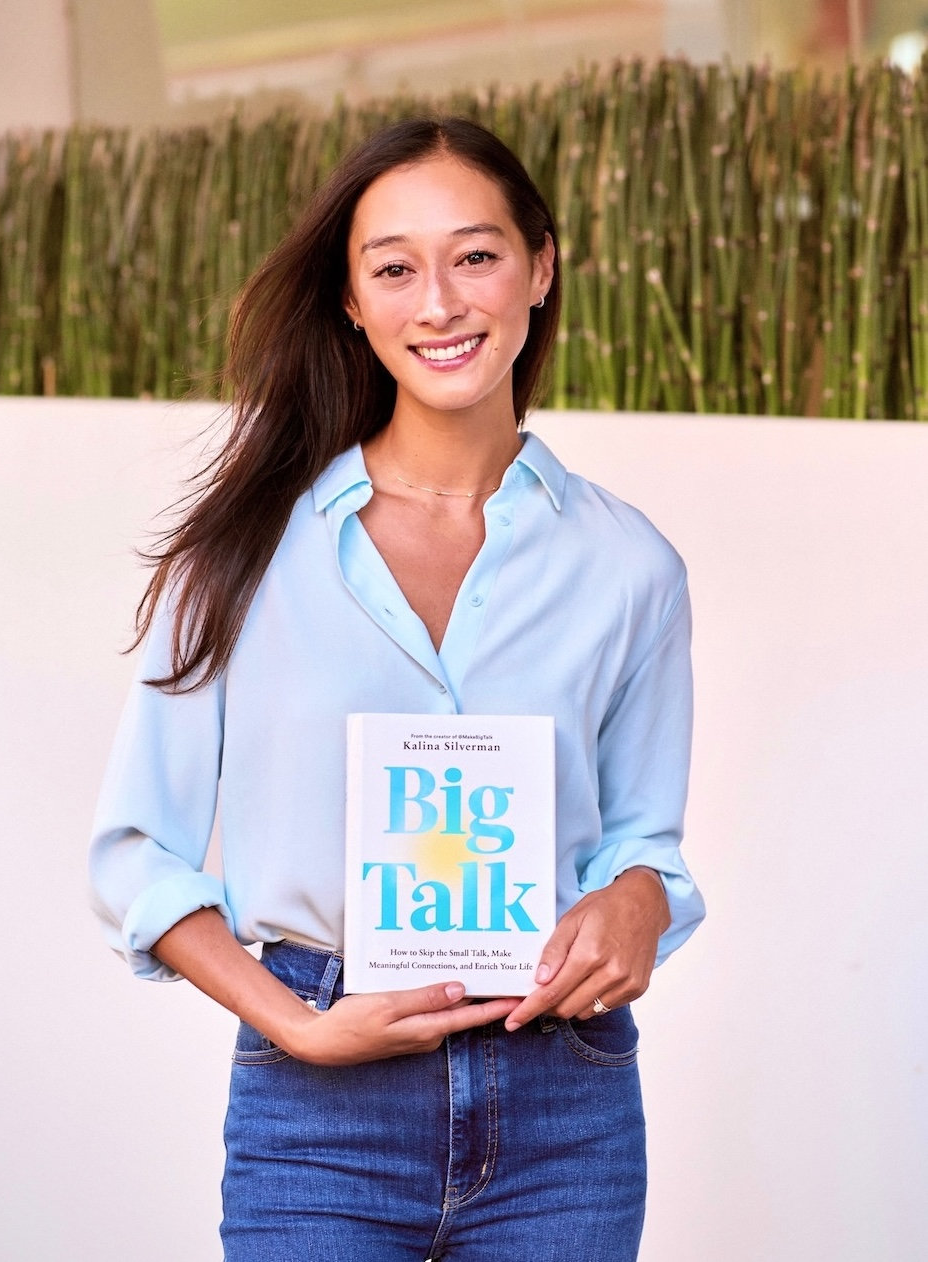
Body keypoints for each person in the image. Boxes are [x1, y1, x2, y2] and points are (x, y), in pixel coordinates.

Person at [90, 116, 704, 1261]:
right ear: (350, 301)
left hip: (561, 1100)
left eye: (475, 255)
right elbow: (137, 856)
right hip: (317, 1114)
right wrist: (301, 1028)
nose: (439, 302)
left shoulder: (629, 567)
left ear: (540, 266)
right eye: (393, 268)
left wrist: (640, 897)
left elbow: (643, 843)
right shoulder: (239, 555)